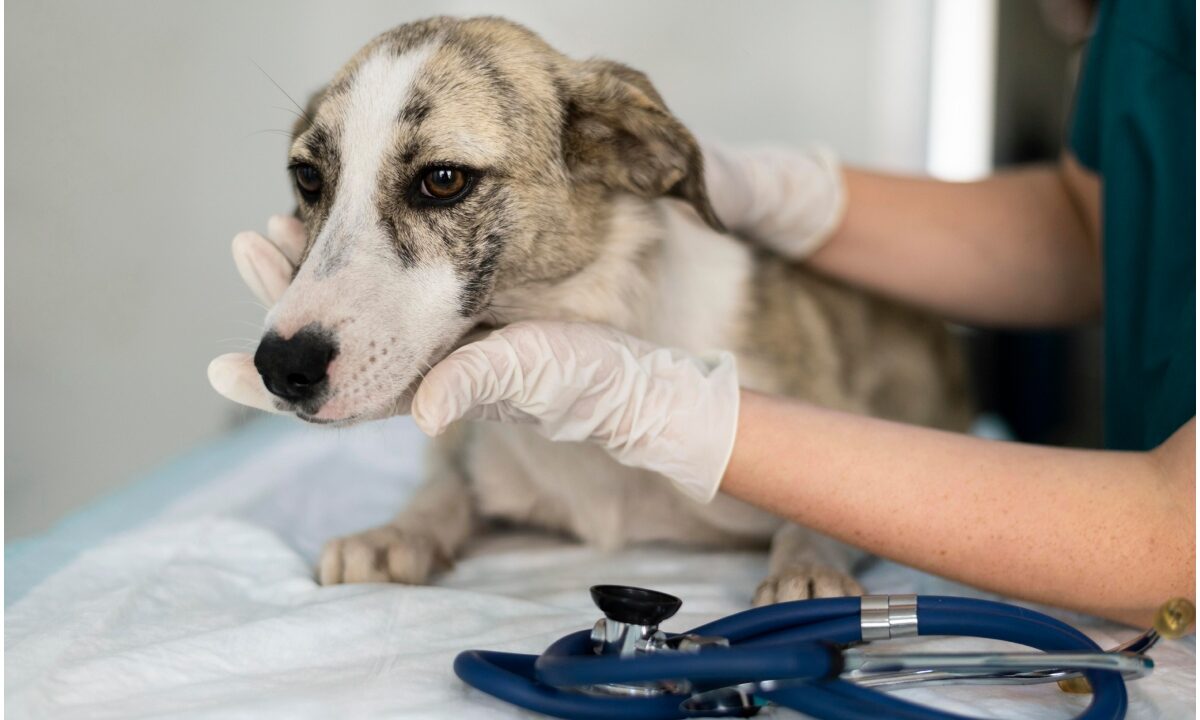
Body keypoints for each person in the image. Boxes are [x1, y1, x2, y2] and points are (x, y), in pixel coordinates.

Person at [213, 0, 1194, 627]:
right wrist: (798, 193)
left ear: (614, 152)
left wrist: (783, 517)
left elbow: (1177, 534)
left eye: (438, 181)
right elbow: (1101, 225)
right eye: (314, 176)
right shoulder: (1143, 28)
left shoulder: (744, 316)